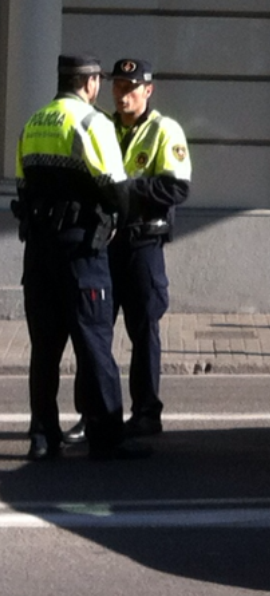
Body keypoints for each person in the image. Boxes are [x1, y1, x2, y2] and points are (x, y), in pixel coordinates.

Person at [12, 54, 151, 461]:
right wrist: (120, 223)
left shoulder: (33, 123)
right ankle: (107, 435)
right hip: (82, 251)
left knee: (45, 347)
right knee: (93, 342)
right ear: (89, 83)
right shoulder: (93, 123)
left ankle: (43, 434)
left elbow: (23, 188)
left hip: (38, 253)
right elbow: (115, 188)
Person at [64, 58, 191, 445]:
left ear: (148, 90)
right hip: (105, 244)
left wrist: (125, 189)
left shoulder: (164, 130)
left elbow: (176, 189)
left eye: (131, 87)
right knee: (94, 332)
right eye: (118, 86)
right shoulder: (102, 126)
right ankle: (93, 414)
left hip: (142, 244)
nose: (123, 94)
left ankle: (147, 412)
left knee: (143, 329)